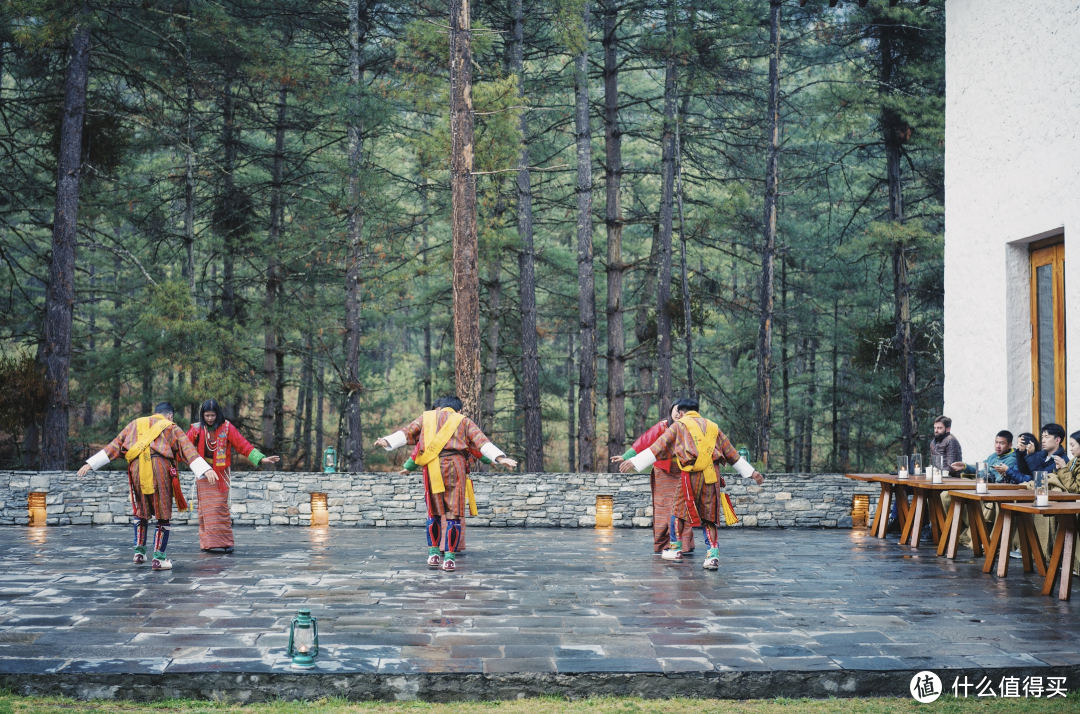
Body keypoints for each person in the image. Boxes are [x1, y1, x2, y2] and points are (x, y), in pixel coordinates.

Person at [619, 398, 764, 569]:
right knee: (709, 517)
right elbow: (731, 453)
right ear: (698, 412)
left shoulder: (679, 425)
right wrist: (752, 472)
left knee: (678, 512)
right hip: (711, 477)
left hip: (689, 477)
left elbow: (659, 446)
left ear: (680, 413)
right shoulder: (712, 427)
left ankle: (675, 549)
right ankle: (712, 556)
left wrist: (634, 462)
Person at [375, 396, 517, 571]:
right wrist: (500, 458)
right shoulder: (463, 421)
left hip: (432, 466)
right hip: (455, 467)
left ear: (440, 408)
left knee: (433, 512)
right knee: (453, 513)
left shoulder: (427, 417)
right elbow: (481, 442)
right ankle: (449, 559)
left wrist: (387, 441)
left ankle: (434, 555)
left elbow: (407, 433)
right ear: (458, 410)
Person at [77, 402, 213, 571]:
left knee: (140, 510)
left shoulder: (135, 424)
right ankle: (159, 559)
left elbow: (114, 446)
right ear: (169, 416)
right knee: (162, 514)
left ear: (154, 414)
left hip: (136, 469)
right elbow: (187, 449)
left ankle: (139, 554)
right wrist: (206, 469)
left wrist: (90, 464)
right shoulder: (170, 426)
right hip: (160, 468)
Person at [186, 399, 280, 553]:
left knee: (219, 507)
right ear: (203, 415)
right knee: (206, 510)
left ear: (218, 414)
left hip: (221, 475)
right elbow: (184, 448)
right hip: (203, 475)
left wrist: (261, 458)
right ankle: (208, 543)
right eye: (207, 415)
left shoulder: (227, 428)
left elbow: (242, 444)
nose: (210, 418)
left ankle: (225, 542)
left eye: (212, 415)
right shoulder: (196, 429)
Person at [611, 404, 695, 555]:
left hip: (683, 472)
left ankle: (685, 544)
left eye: (682, 411)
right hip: (664, 472)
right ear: (671, 411)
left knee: (683, 507)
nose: (678, 413)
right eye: (676, 410)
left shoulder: (691, 428)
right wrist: (625, 457)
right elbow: (645, 441)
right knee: (666, 507)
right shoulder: (662, 427)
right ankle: (666, 543)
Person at [1000, 423, 1066, 485]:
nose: (1043, 440)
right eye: (1042, 437)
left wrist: (1030, 455)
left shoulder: (1061, 460)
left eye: (1046, 437)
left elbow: (1041, 480)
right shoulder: (1041, 455)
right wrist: (1021, 452)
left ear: (1057, 440)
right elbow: (1024, 472)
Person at [950, 430, 1017, 482]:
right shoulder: (993, 456)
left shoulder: (1012, 459)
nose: (997, 446)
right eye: (996, 442)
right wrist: (965, 466)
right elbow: (981, 469)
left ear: (1010, 445)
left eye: (1002, 443)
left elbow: (998, 480)